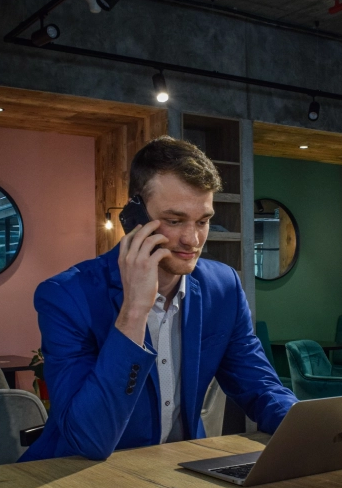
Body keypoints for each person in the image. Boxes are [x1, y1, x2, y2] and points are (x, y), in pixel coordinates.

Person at [19, 136, 297, 462]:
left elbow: (261, 388)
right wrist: (135, 309)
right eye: (175, 220)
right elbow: (87, 439)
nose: (192, 240)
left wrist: (310, 428)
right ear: (135, 216)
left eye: (203, 221)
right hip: (77, 478)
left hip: (178, 475)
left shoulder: (222, 288)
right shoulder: (66, 297)